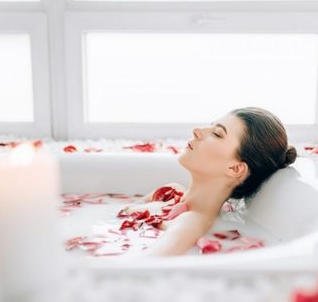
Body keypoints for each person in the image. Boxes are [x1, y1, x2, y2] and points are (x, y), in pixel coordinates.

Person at [123, 107, 297, 256]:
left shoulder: (192, 222)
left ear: (235, 169)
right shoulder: (168, 193)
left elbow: (145, 265)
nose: (197, 130)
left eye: (217, 133)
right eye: (211, 125)